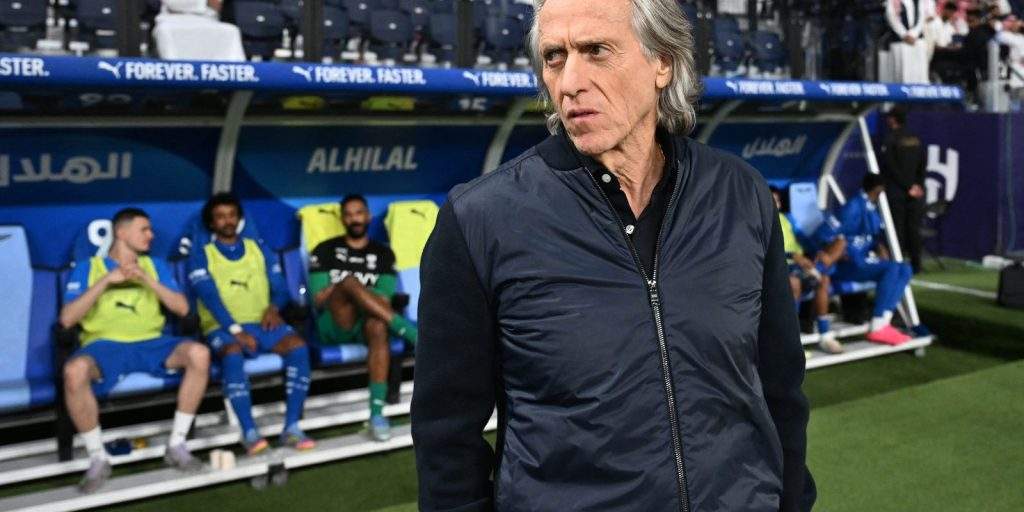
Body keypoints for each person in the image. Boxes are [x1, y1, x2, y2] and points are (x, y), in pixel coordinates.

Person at [412, 0, 815, 510]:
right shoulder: (480, 218)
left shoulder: (741, 193)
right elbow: (446, 435)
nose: (569, 82)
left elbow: (781, 387)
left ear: (662, 62)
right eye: (554, 57)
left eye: (596, 51)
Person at [60, 208, 210, 493]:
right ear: (121, 232)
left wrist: (146, 279)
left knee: (199, 354)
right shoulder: (89, 267)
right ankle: (98, 457)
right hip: (104, 347)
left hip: (152, 343)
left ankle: (177, 444)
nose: (151, 235)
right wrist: (106, 281)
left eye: (151, 230)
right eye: (144, 229)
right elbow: (67, 319)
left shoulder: (155, 265)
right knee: (73, 371)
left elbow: (182, 308)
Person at [188, 193, 315, 455]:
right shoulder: (202, 255)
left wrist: (273, 308)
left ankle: (292, 427)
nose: (227, 221)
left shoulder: (258, 248)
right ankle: (249, 432)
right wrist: (236, 331)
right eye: (220, 217)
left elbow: (280, 289)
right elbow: (210, 299)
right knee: (232, 353)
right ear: (211, 223)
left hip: (261, 324)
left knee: (298, 347)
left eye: (232, 215)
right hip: (222, 328)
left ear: (239, 219)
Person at [307, 194, 418, 443]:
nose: (354, 219)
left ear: (368, 216)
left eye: (359, 213)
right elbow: (319, 300)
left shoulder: (383, 254)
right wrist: (347, 288)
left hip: (367, 323)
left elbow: (384, 300)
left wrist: (354, 292)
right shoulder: (325, 250)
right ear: (342, 219)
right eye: (349, 214)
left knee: (378, 325)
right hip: (334, 323)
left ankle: (376, 414)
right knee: (348, 282)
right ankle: (413, 335)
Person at [834, 173, 915, 346]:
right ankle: (878, 324)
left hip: (862, 260)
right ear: (878, 188)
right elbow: (836, 237)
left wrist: (878, 246)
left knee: (905, 268)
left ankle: (884, 321)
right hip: (848, 265)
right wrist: (843, 254)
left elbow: (870, 236)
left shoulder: (870, 206)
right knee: (892, 268)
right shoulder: (852, 207)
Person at [771, 187, 847, 354]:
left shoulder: (786, 219)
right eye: (771, 201)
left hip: (797, 266)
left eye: (777, 200)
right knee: (794, 282)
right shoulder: (757, 223)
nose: (775, 204)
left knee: (823, 279)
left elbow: (802, 240)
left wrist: (816, 252)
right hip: (774, 269)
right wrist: (792, 255)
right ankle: (790, 342)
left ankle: (825, 335)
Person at [880, 108, 926, 273]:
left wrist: (907, 186)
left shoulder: (890, 139)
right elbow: (923, 164)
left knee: (897, 228)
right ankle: (916, 264)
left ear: (893, 120)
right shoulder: (916, 139)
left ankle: (898, 263)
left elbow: (891, 167)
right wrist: (917, 185)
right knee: (914, 228)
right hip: (916, 191)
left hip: (897, 190)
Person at [887, 0, 932, 83]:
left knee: (920, 72)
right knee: (901, 72)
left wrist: (914, 34)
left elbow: (922, 17)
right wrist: (904, 34)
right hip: (900, 40)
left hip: (916, 38)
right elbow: (891, 17)